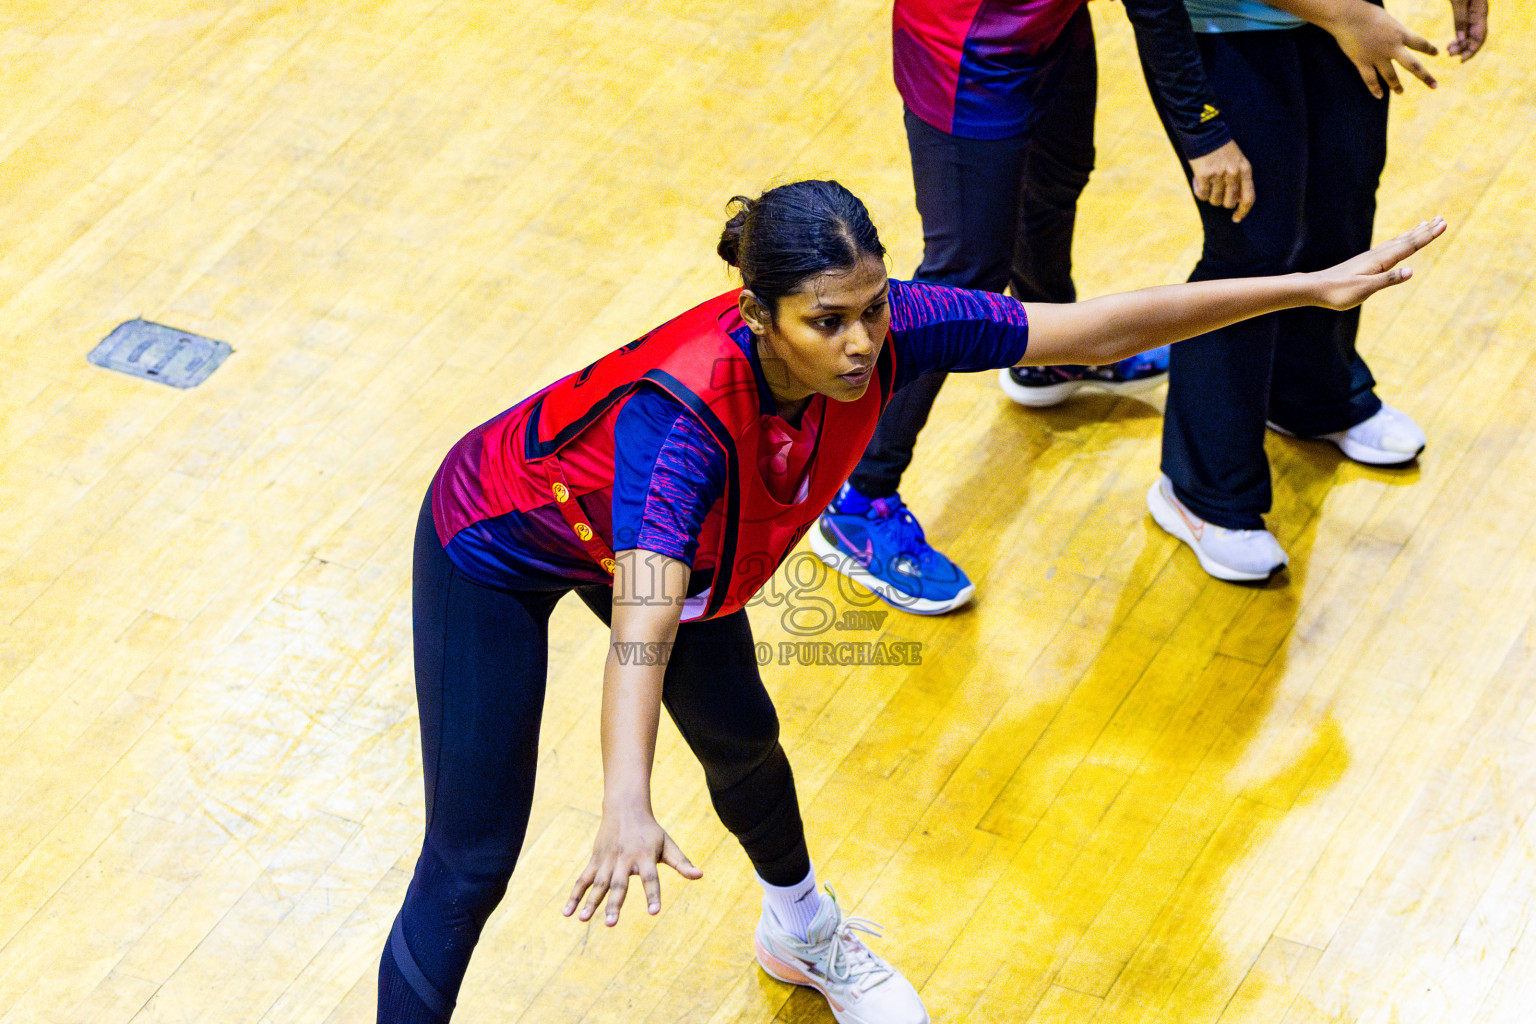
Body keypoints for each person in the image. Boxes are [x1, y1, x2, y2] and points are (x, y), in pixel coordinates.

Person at [376, 179, 1442, 1024]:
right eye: (825, 320)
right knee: (472, 858)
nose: (859, 344)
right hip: (501, 532)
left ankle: (801, 929)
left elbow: (1099, 330)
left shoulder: (905, 331)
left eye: (873, 308)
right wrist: (623, 800)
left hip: (656, 540)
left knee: (745, 740)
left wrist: (1311, 287)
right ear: (758, 317)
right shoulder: (685, 426)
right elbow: (642, 624)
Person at [811, 0, 1259, 615]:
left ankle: (1052, 360)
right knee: (963, 278)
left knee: (1054, 181)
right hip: (968, 48)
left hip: (1054, 25)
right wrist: (1205, 132)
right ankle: (859, 499)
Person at [1139, 0, 1488, 581]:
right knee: (1250, 254)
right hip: (1227, 33)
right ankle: (1200, 489)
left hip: (1340, 24)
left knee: (1341, 214)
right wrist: (1201, 129)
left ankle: (1312, 397)